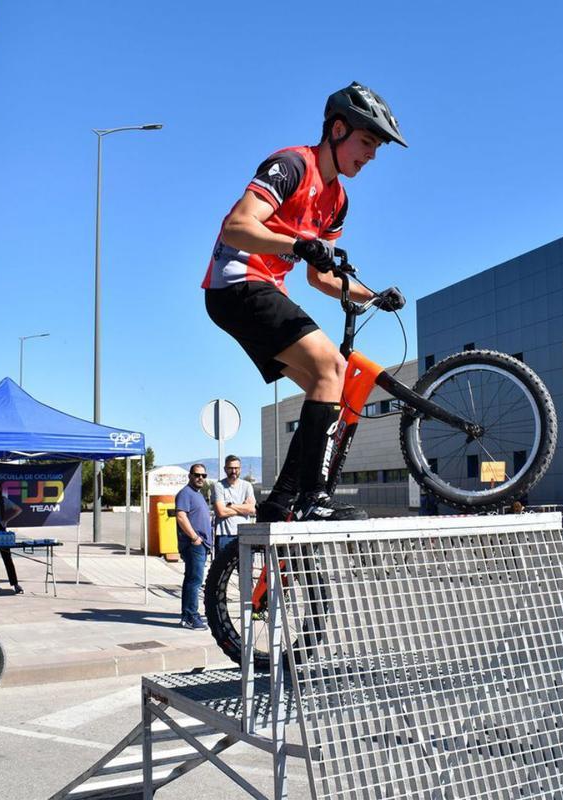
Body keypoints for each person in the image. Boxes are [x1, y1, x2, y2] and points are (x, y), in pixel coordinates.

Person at [203, 82, 407, 524]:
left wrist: (373, 296)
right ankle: (314, 497)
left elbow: (320, 277)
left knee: (326, 387)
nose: (371, 155)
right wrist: (298, 242)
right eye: (367, 141)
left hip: (263, 291)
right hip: (236, 281)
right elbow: (236, 227)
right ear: (337, 129)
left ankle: (279, 502)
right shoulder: (292, 165)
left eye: (377, 148)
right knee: (332, 366)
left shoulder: (338, 201)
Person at [174, 464, 213, 630]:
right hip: (193, 545)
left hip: (200, 545)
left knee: (191, 579)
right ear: (190, 475)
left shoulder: (198, 494)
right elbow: (181, 516)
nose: (200, 478)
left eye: (203, 475)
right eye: (197, 475)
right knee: (195, 581)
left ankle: (186, 616)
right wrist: (195, 537)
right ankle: (191, 616)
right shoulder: (185, 494)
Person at [211, 455, 256, 555]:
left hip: (244, 534)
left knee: (245, 569)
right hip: (224, 535)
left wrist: (230, 506)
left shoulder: (247, 486)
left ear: (240, 469)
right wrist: (243, 507)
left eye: (236, 468)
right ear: (225, 469)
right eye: (230, 468)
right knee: (222, 569)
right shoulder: (219, 486)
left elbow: (252, 509)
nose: (234, 471)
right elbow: (221, 512)